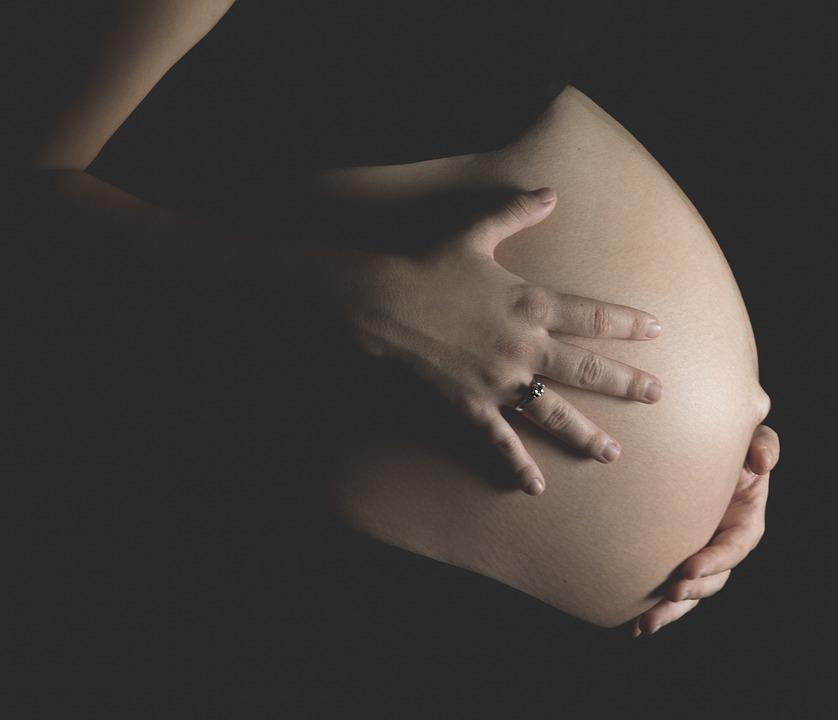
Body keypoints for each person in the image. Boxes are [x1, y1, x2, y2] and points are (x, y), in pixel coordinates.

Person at [13, 0, 779, 646]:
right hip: (353, 544)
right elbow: (28, 193)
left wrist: (720, 460)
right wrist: (363, 304)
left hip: (614, 591)